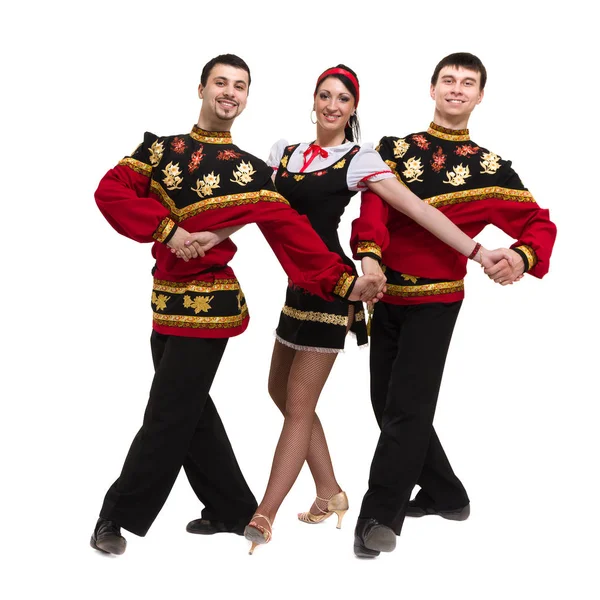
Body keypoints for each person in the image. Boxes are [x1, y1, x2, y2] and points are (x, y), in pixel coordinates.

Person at [185, 64, 514, 555]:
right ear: (313, 100)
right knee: (279, 392)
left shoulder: (359, 160)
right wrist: (213, 234)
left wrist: (477, 251)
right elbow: (256, 206)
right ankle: (329, 493)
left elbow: (417, 210)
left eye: (343, 98)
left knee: (299, 406)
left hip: (333, 289)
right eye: (325, 95)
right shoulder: (284, 154)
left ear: (353, 108)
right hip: (295, 289)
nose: (332, 105)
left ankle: (265, 513)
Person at [89, 54, 386, 556]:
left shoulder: (249, 169)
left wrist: (342, 281)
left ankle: (116, 516)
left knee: (167, 413)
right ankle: (229, 508)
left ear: (246, 99)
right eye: (221, 83)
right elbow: (110, 192)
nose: (230, 92)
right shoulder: (158, 150)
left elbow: (292, 232)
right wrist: (168, 230)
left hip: (210, 309)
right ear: (201, 87)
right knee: (189, 410)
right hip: (163, 299)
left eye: (240, 86)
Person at [350, 52, 557, 558]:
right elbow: (372, 211)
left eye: (468, 83)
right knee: (387, 404)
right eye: (449, 80)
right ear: (432, 88)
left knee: (408, 409)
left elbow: (539, 223)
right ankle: (447, 493)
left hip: (437, 300)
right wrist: (370, 260)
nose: (457, 89)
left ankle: (379, 517)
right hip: (384, 293)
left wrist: (521, 257)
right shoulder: (394, 150)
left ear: (480, 96)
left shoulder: (490, 169)